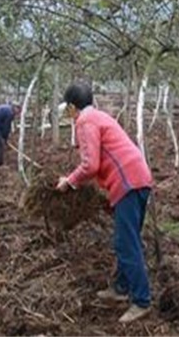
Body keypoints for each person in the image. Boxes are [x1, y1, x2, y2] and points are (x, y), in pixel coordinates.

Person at [56, 82, 153, 323]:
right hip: (138, 178)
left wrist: (69, 181)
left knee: (125, 243)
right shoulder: (99, 116)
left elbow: (90, 164)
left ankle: (142, 301)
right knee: (127, 238)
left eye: (67, 110)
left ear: (71, 107)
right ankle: (120, 288)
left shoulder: (85, 121)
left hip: (127, 182)